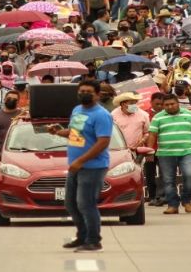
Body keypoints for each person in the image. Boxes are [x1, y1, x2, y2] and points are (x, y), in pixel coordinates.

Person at [50, 79, 112, 252]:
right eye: (81, 91)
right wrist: (58, 131)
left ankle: (94, 240)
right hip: (76, 166)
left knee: (86, 204)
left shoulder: (101, 115)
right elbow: (74, 132)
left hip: (93, 167)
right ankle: (82, 236)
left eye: (88, 92)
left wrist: (81, 161)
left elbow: (103, 142)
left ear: (98, 95)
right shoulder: (77, 110)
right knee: (70, 204)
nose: (84, 94)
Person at [147, 94, 191, 214]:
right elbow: (152, 135)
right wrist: (149, 151)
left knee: (190, 175)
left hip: (187, 152)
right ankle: (172, 205)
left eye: (172, 104)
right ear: (163, 106)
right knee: (168, 180)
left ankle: (186, 200)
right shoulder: (158, 117)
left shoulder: (189, 114)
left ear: (178, 103)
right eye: (166, 105)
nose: (170, 106)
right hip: (165, 153)